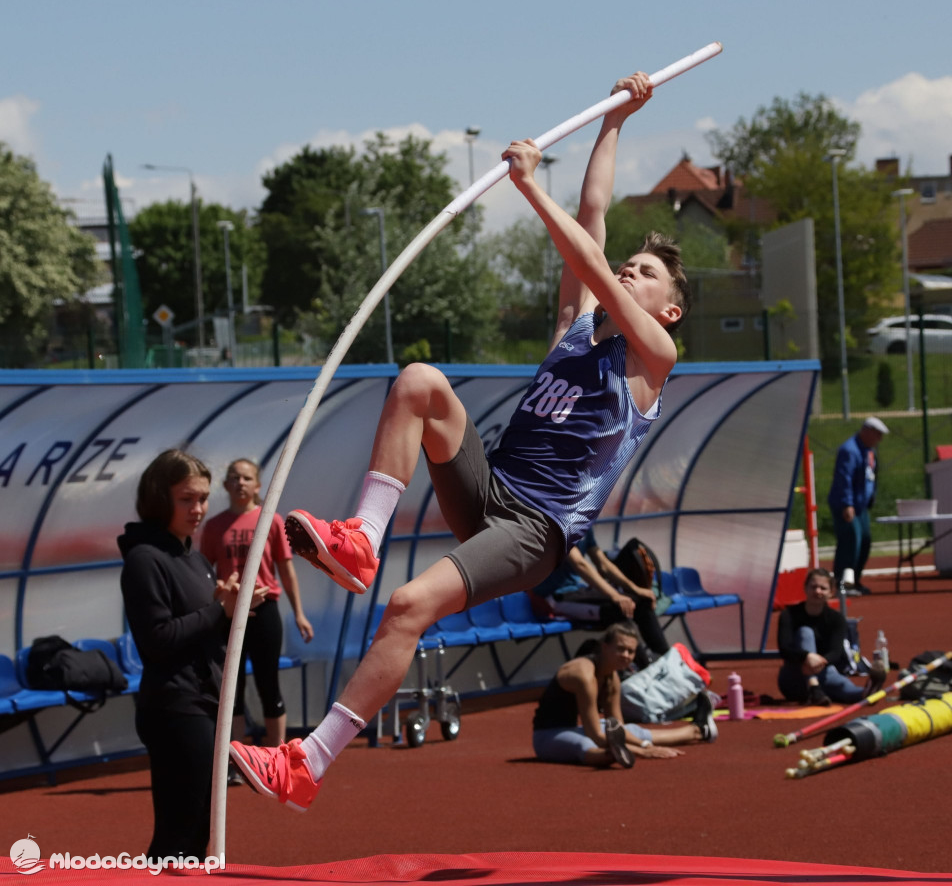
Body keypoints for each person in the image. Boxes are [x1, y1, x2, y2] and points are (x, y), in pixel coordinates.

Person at [230, 71, 692, 811]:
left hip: (536, 528)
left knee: (408, 606)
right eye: (628, 264)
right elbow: (595, 212)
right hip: (490, 486)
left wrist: (529, 190)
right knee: (419, 380)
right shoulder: (579, 327)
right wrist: (617, 119)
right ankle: (360, 538)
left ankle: (309, 760)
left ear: (667, 309)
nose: (627, 272)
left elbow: (592, 262)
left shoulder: (654, 359)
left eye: (644, 274)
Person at [119, 449, 265, 860]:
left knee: (201, 825)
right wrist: (220, 609)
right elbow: (158, 638)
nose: (198, 509)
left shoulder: (194, 558)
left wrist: (232, 603)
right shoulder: (145, 560)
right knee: (178, 831)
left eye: (202, 498)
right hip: (174, 708)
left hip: (204, 702)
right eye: (186, 499)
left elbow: (201, 621)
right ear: (158, 497)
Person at [200, 458, 314, 751]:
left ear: (258, 485)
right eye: (235, 478)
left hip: (265, 610)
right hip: (229, 613)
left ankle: (276, 754)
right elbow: (204, 574)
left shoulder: (271, 520)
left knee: (268, 683)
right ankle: (235, 757)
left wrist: (299, 613)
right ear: (225, 485)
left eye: (247, 478)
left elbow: (286, 571)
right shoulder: (214, 526)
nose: (240, 483)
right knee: (231, 690)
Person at [533, 622, 715, 767]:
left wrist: (644, 745)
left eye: (631, 651)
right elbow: (594, 734)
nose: (626, 656)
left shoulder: (612, 677)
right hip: (548, 736)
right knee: (585, 743)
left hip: (574, 729)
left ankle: (698, 731)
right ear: (604, 647)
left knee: (632, 730)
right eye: (620, 649)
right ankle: (613, 755)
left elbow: (618, 727)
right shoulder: (583, 675)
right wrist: (644, 752)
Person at [532, 526, 669, 666]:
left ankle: (666, 659)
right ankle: (647, 667)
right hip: (553, 598)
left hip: (577, 591)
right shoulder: (562, 524)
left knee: (641, 601)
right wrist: (616, 596)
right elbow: (580, 564)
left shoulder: (585, 526)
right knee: (621, 609)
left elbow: (603, 564)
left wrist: (636, 590)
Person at [776, 568, 884, 707]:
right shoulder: (788, 615)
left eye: (823, 588)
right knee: (805, 632)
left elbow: (836, 652)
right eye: (813, 587)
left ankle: (865, 693)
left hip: (823, 671)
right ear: (805, 588)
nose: (817, 591)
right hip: (794, 676)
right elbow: (784, 649)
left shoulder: (836, 619)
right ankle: (813, 686)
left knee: (843, 685)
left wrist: (819, 662)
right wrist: (807, 657)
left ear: (831, 592)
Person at [828, 416, 888, 596]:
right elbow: (843, 479)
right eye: (877, 434)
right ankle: (842, 584)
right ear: (866, 431)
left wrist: (871, 498)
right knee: (850, 542)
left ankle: (854, 581)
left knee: (865, 542)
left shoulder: (868, 451)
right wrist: (847, 504)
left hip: (861, 506)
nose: (879, 439)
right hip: (847, 505)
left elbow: (871, 475)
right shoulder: (849, 450)